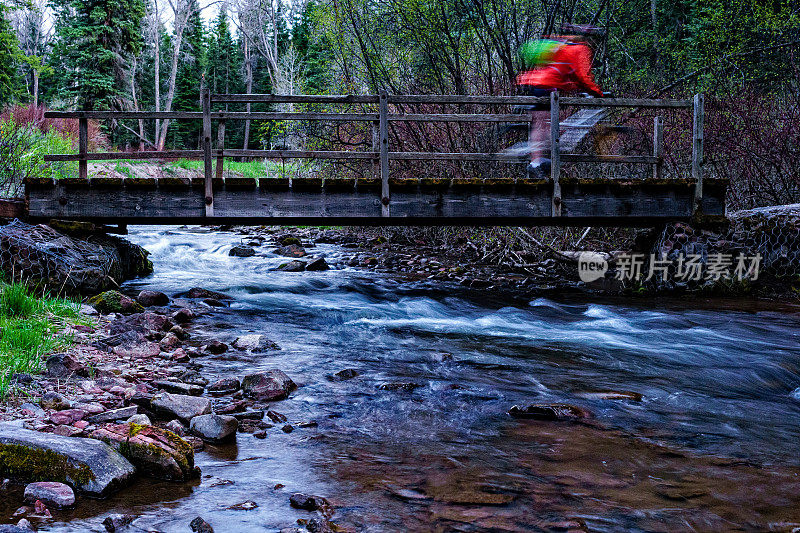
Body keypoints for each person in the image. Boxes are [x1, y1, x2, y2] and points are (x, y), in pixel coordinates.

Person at [517, 25, 605, 178]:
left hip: (539, 84)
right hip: (548, 87)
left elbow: (564, 72)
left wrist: (577, 88)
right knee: (544, 124)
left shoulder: (562, 45)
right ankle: (536, 160)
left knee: (544, 123)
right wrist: (598, 93)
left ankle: (538, 159)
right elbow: (582, 76)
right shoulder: (579, 49)